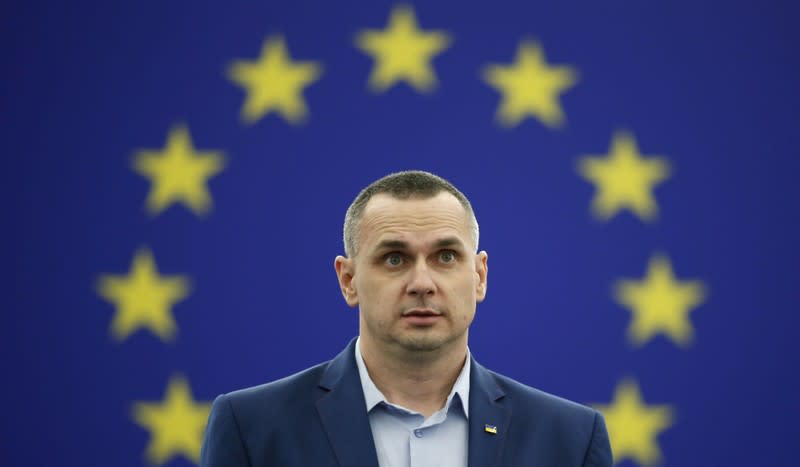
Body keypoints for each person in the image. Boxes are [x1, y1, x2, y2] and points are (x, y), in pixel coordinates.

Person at [200, 170, 612, 466]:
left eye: (446, 257)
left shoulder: (569, 439)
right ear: (348, 280)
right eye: (394, 258)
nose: (422, 282)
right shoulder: (252, 428)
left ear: (480, 276)